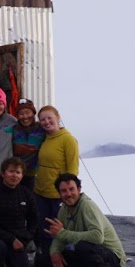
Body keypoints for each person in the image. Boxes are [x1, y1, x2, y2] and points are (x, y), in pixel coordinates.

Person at [35, 172, 126, 267]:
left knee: (82, 247)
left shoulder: (86, 205)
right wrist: (54, 252)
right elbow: (59, 237)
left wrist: (63, 233)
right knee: (43, 261)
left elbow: (97, 237)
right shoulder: (64, 209)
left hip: (112, 258)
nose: (68, 194)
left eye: (72, 189)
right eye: (64, 191)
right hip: (90, 257)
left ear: (79, 189)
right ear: (59, 193)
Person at [31, 105, 78, 249]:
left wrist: (68, 195)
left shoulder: (68, 140)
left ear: (58, 118)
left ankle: (63, 260)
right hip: (41, 192)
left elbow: (72, 171)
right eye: (42, 119)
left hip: (57, 195)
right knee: (43, 229)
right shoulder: (46, 138)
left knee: (58, 231)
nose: (46, 122)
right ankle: (45, 259)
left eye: (49, 118)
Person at [10, 97, 44, 186]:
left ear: (33, 113)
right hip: (17, 176)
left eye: (28, 113)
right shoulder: (12, 130)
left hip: (37, 176)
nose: (25, 117)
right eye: (21, 114)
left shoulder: (42, 129)